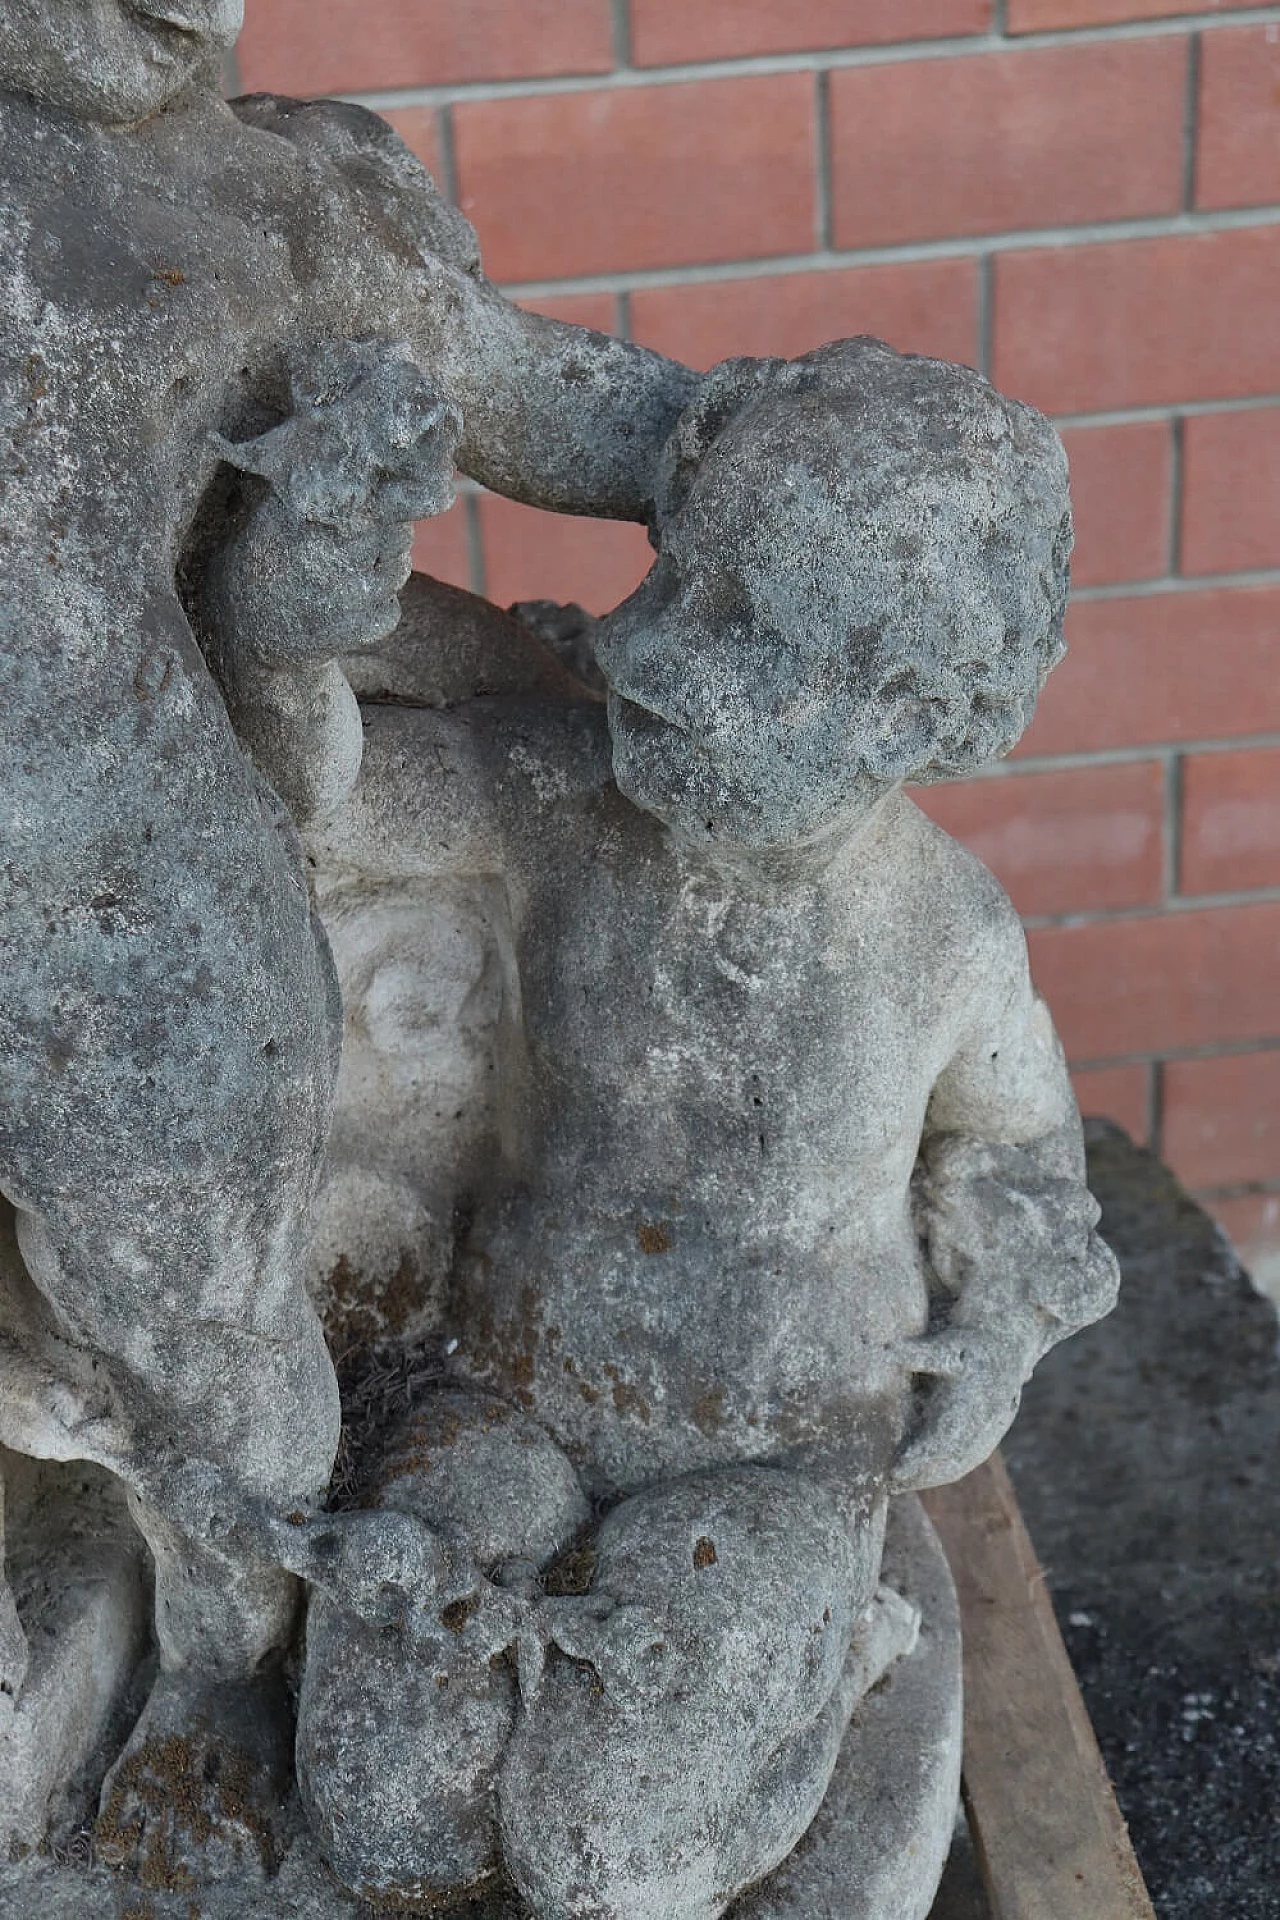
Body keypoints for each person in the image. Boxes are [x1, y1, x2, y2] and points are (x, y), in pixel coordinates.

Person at [0, 0, 697, 1866]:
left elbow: (561, 407)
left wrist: (808, 456)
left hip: (115, 927)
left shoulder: (278, 205)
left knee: (209, 1335)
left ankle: (224, 1666)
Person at [298, 338, 1120, 1916]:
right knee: (390, 1819)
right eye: (672, 581)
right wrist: (304, 590)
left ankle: (843, 1630)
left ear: (907, 713)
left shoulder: (942, 935)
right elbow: (331, 798)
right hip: (504, 1397)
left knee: (605, 1862)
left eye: (742, 629)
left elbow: (1017, 1156)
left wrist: (1006, 1314)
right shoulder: (556, 802)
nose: (649, 652)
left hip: (776, 1454)